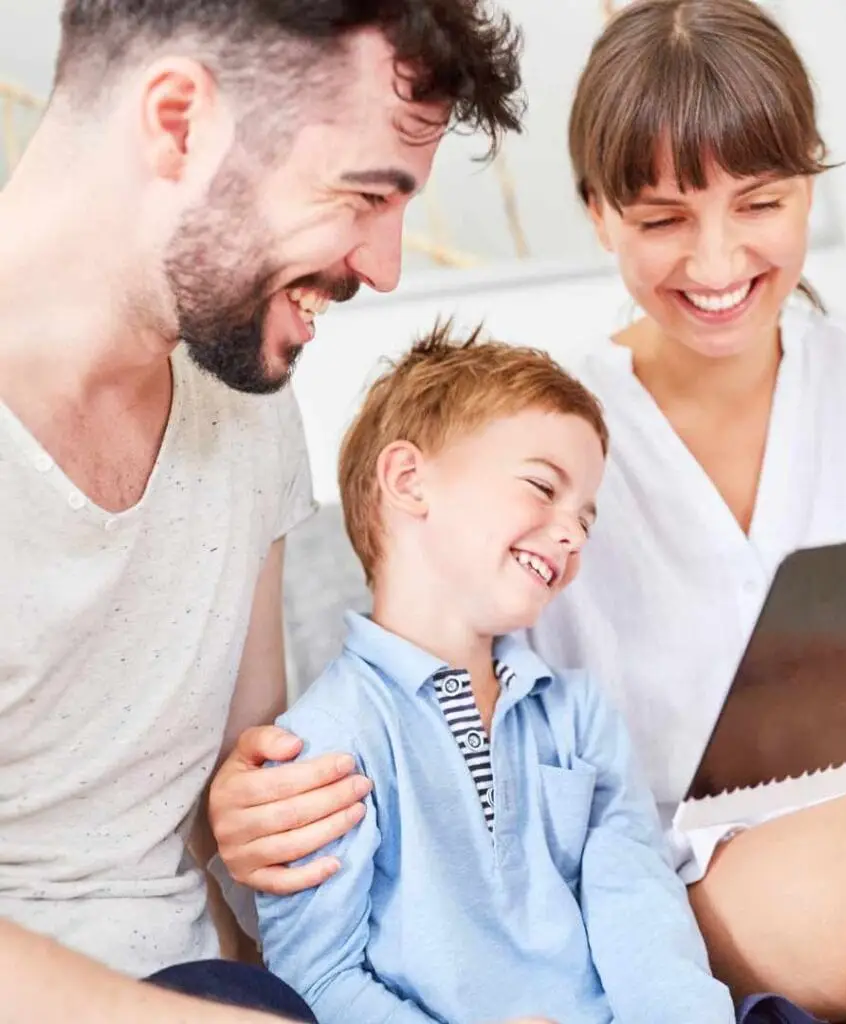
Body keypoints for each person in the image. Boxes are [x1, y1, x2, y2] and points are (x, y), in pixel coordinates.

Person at [209, 1, 846, 1022]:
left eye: (760, 203)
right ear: (598, 213)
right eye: (663, 219)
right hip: (672, 890)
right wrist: (259, 807)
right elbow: (465, 735)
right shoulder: (549, 451)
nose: (716, 263)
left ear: (809, 186)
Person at [0, 0, 523, 1019]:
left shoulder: (244, 409)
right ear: (180, 122)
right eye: (363, 195)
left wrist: (258, 823)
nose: (384, 267)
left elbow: (243, 818)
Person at [254, 324, 787, 1024]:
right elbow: (318, 978)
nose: (572, 533)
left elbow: (640, 907)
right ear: (409, 481)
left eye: (586, 519)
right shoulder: (328, 739)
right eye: (542, 487)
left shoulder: (579, 713)